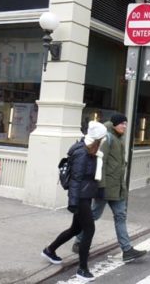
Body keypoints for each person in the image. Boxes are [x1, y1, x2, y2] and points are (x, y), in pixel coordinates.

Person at [73, 113, 146, 263]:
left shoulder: (118, 138)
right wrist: (100, 187)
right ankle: (78, 241)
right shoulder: (107, 137)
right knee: (93, 215)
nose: (124, 126)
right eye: (122, 124)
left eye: (126, 124)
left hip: (117, 187)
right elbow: (101, 162)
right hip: (105, 187)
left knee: (120, 216)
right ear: (114, 124)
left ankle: (127, 250)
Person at [41, 121, 107, 282]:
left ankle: (50, 250)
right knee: (89, 230)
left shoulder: (92, 151)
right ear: (97, 138)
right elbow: (76, 180)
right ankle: (82, 269)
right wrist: (73, 203)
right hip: (81, 198)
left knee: (75, 229)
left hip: (85, 195)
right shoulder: (83, 153)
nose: (105, 139)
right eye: (103, 137)